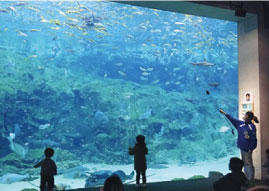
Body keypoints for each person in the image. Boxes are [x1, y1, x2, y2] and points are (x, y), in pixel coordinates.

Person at [219, 109, 259, 181]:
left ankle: (250, 179)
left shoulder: (251, 126)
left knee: (249, 163)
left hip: (248, 148)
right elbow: (232, 119)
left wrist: (251, 148)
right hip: (242, 147)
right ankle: (246, 178)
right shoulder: (240, 124)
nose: (244, 116)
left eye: (246, 115)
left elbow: (254, 138)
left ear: (248, 117)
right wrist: (225, 113)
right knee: (244, 162)